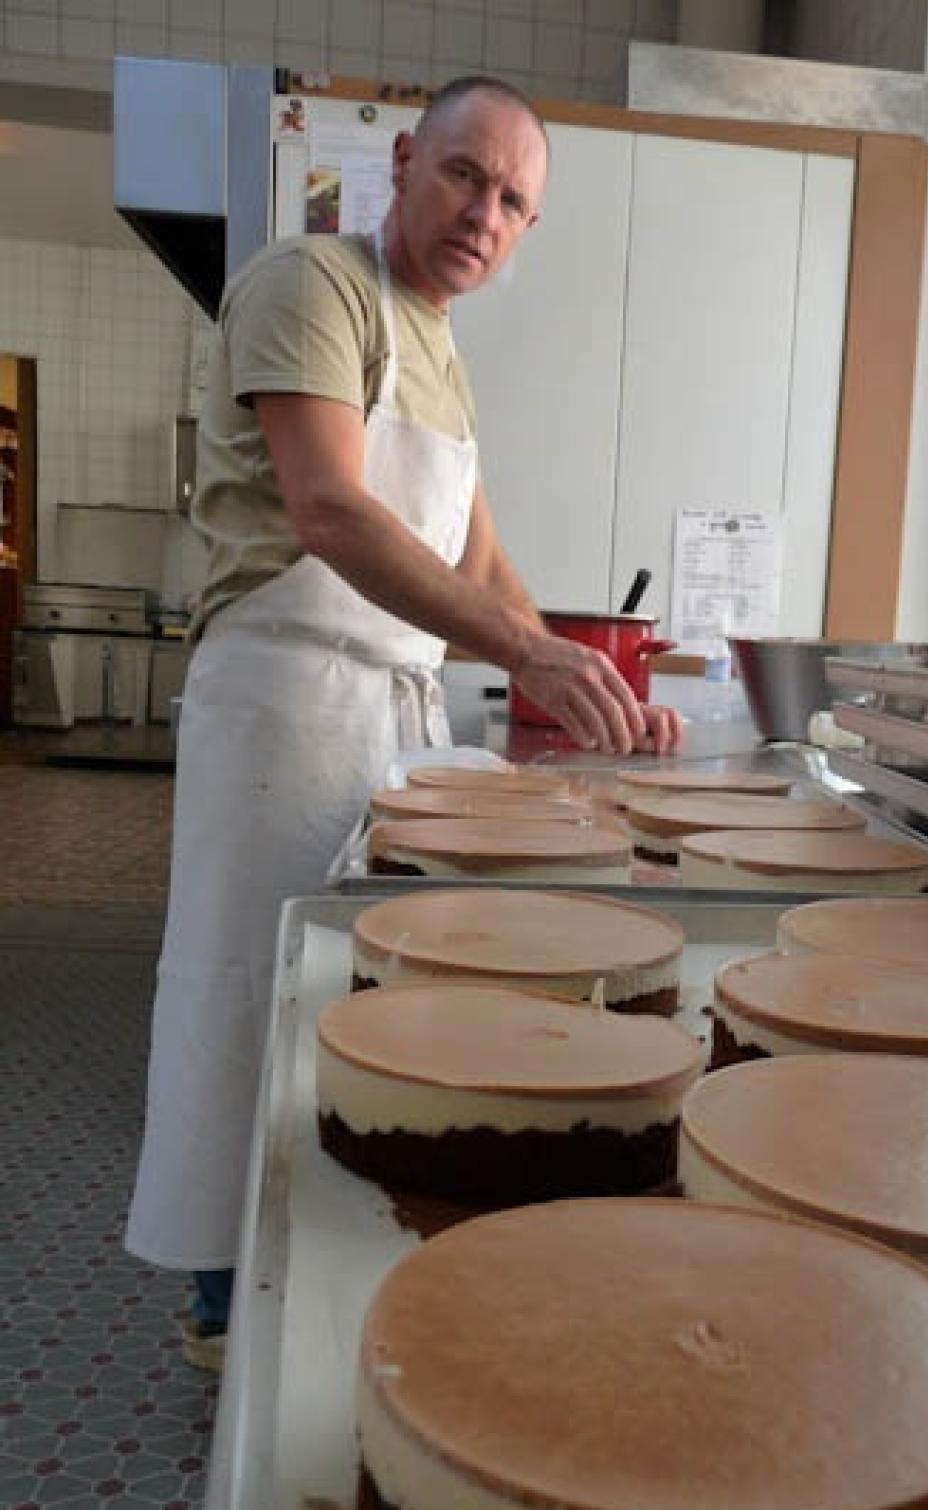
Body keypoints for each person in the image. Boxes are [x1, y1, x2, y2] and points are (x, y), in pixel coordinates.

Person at [125, 77, 681, 1371]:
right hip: (284, 700)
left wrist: (597, 693)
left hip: (387, 716)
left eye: (513, 201)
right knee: (247, 984)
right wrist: (527, 654)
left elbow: (481, 567)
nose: (483, 213)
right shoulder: (309, 284)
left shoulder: (444, 355)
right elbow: (329, 509)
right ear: (403, 163)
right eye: (464, 175)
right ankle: (222, 1289)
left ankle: (326, 1250)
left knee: (357, 995)